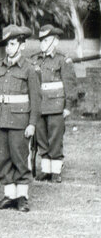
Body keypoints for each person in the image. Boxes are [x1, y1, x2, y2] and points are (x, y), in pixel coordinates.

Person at [0, 25, 41, 211]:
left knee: (19, 158)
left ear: (22, 45)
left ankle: (22, 197)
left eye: (12, 44)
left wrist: (32, 123)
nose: (8, 48)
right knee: (3, 159)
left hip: (20, 122)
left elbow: (36, 99)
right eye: (6, 44)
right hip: (0, 120)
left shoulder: (29, 69)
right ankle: (9, 195)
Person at [32, 24, 77, 183]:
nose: (43, 44)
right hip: (39, 106)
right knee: (41, 138)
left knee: (55, 138)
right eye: (41, 40)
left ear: (55, 42)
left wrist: (68, 106)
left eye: (46, 40)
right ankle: (46, 169)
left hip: (57, 106)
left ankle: (56, 170)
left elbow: (69, 84)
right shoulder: (35, 60)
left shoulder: (62, 60)